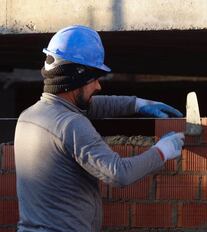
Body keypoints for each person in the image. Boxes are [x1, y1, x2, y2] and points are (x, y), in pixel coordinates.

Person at [13, 25, 185, 232]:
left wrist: (136, 103)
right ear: (75, 78)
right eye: (93, 79)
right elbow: (118, 173)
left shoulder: (29, 117)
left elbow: (91, 105)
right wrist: (163, 150)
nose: (98, 86)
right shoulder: (72, 124)